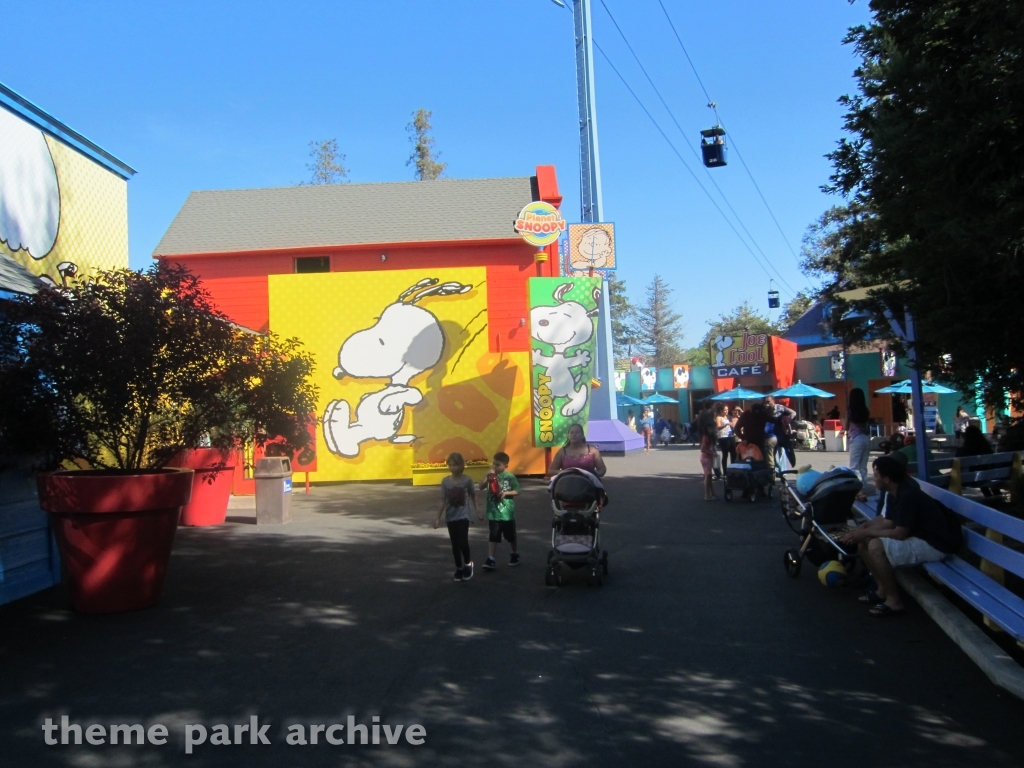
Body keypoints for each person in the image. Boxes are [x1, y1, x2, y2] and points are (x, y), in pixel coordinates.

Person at [839, 456, 961, 616]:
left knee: (875, 545)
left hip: (935, 545)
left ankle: (894, 600)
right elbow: (887, 522)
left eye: (876, 475)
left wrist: (866, 531)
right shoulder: (894, 492)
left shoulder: (908, 495)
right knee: (864, 541)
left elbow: (899, 533)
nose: (873, 479)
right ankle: (881, 589)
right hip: (918, 537)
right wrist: (860, 530)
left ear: (887, 479)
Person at [434, 452, 479, 582]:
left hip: (463, 515)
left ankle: (468, 564)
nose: (452, 467)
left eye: (455, 465)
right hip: (451, 516)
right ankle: (458, 567)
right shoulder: (445, 482)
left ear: (461, 466)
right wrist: (438, 517)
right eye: (450, 465)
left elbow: (473, 495)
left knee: (462, 541)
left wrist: (477, 511)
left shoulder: (467, 480)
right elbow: (442, 500)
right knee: (454, 544)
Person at [479, 451, 520, 571]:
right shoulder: (492, 476)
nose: (495, 467)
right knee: (493, 536)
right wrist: (487, 476)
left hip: (507, 513)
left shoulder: (510, 477)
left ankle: (514, 553)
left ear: (505, 466)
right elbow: (480, 487)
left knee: (510, 536)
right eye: (493, 464)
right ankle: (491, 558)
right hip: (494, 513)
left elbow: (518, 490)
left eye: (498, 465)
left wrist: (506, 493)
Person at [846, 388, 871, 483]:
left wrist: (842, 421)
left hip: (856, 438)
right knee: (863, 466)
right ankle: (863, 485)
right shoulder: (866, 410)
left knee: (854, 466)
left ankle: (857, 488)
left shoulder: (850, 411)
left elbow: (846, 427)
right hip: (866, 437)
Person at [714, 403, 735, 474]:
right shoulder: (718, 417)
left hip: (730, 436)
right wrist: (726, 424)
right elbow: (718, 427)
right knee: (725, 454)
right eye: (724, 410)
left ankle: (733, 469)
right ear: (720, 411)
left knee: (733, 453)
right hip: (723, 437)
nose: (726, 411)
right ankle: (725, 471)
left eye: (727, 410)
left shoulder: (728, 417)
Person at [700, 429, 717, 501]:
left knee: (709, 475)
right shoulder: (705, 437)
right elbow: (702, 449)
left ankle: (712, 493)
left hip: (708, 457)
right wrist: (711, 452)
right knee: (707, 475)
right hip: (706, 457)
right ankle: (707, 494)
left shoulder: (709, 437)